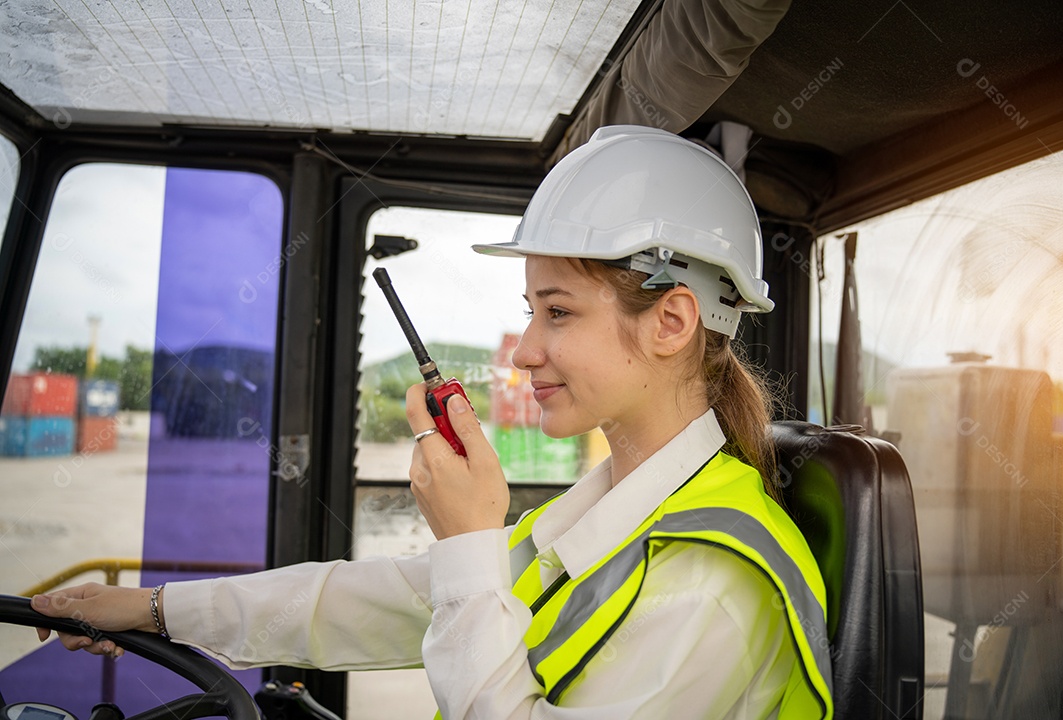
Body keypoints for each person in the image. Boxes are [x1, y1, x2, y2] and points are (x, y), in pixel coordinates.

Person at [32, 125, 833, 719]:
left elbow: (456, 594)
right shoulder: (620, 515)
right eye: (530, 312)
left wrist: (467, 541)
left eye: (557, 312)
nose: (524, 351)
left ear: (671, 322)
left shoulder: (714, 580)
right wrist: (156, 609)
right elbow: (386, 600)